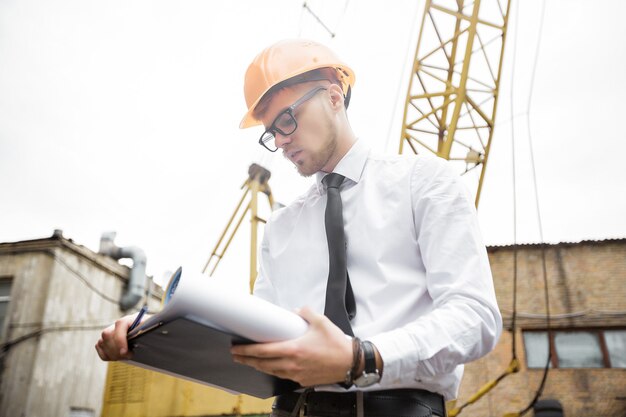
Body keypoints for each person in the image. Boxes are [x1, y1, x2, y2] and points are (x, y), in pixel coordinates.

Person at [96, 39, 502, 417]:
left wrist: (361, 356)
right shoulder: (282, 226)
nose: (281, 140)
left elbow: (474, 316)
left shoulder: (424, 182)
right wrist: (150, 337)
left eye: (286, 119)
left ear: (333, 96)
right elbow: (255, 344)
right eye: (271, 132)